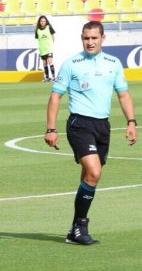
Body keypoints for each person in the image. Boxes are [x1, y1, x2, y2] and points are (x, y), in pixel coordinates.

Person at [45, 20, 137, 245]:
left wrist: (131, 122)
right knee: (94, 172)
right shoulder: (72, 64)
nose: (90, 42)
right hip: (79, 124)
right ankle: (82, 226)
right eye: (86, 38)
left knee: (89, 177)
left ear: (103, 38)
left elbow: (123, 95)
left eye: (94, 38)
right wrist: (51, 128)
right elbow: (56, 95)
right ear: (82, 39)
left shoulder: (113, 63)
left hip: (102, 127)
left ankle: (74, 230)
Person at [35, 15, 56, 82]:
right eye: (41, 21)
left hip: (48, 48)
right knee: (44, 63)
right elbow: (38, 39)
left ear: (46, 21)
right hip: (42, 49)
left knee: (50, 62)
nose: (42, 22)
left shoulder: (49, 27)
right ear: (39, 22)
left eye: (44, 21)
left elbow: (53, 36)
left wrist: (51, 44)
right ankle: (47, 77)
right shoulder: (37, 30)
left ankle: (53, 77)